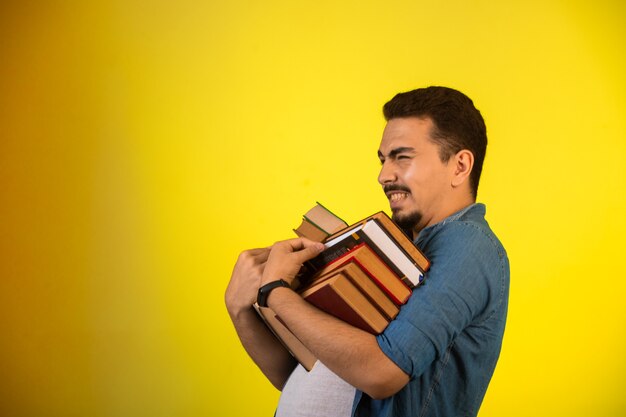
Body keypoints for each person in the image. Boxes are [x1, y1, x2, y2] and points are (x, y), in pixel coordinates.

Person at [225, 86, 510, 417]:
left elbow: (381, 373)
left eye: (402, 157)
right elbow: (304, 371)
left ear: (460, 166)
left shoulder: (469, 246)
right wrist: (241, 308)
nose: (383, 175)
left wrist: (275, 292)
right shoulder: (396, 244)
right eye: (383, 159)